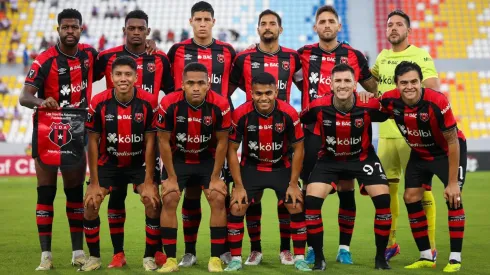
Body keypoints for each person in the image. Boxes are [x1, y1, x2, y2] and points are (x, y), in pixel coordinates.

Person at [296, 5, 378, 264]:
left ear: (339, 26)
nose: (327, 25)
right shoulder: (304, 54)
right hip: (312, 133)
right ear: (315, 27)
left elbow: (372, 86)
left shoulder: (354, 55)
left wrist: (368, 93)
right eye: (323, 21)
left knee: (345, 188)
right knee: (310, 191)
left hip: (347, 133)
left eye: (332, 21)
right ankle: (312, 248)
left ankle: (344, 248)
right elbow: (291, 78)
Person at [19, 8, 98, 271]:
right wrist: (43, 101)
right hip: (47, 132)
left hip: (76, 131)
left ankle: (77, 252)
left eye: (74, 27)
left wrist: (149, 45)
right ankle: (46, 256)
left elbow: (117, 60)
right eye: (65, 27)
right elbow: (24, 96)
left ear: (81, 29)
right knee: (46, 192)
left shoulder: (89, 55)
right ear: (58, 30)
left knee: (74, 193)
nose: (70, 31)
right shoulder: (45, 60)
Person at [95, 9, 174, 268]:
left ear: (148, 31)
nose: (137, 32)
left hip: (147, 143)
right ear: (124, 30)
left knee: (154, 198)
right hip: (114, 143)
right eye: (132, 28)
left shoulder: (160, 58)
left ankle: (156, 251)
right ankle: (118, 253)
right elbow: (85, 76)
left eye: (141, 28)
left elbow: (173, 92)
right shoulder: (107, 57)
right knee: (116, 199)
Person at [300, 63, 392, 271]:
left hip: (363, 158)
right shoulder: (317, 106)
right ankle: (319, 258)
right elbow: (300, 120)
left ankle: (380, 259)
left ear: (354, 85)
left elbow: (390, 111)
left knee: (383, 201)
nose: (342, 85)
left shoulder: (369, 105)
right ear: (330, 85)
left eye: (347, 81)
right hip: (329, 159)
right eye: (338, 81)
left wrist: (373, 95)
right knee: (312, 201)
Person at [228, 9, 302, 266]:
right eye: (263, 24)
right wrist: (256, 101)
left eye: (273, 24)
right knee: (249, 200)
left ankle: (286, 250)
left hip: (283, 140)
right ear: (258, 29)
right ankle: (255, 250)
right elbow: (230, 86)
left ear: (280, 29)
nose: (268, 27)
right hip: (252, 139)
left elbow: (308, 86)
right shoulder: (244, 57)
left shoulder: (294, 57)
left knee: (289, 202)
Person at [166, 1, 236, 267]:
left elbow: (236, 82)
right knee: (190, 195)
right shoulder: (177, 50)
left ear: (213, 22)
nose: (203, 23)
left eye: (207, 19)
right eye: (198, 19)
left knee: (220, 193)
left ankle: (224, 250)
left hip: (215, 127)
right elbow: (168, 83)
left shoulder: (227, 51)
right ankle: (190, 251)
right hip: (183, 130)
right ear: (191, 22)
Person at [378, 61, 466, 272]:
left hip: (446, 153)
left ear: (421, 82)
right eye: (404, 83)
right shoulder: (389, 100)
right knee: (410, 197)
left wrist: (453, 182)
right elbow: (371, 109)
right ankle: (426, 255)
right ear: (396, 84)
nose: (410, 87)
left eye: (414, 82)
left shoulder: (437, 101)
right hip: (419, 153)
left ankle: (455, 258)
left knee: (454, 198)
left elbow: (453, 141)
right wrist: (362, 96)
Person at [371, 9, 440, 261]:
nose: (393, 28)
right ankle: (391, 243)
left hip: (414, 135)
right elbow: (371, 82)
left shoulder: (420, 55)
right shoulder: (383, 56)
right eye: (390, 25)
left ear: (408, 31)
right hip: (387, 135)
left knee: (421, 191)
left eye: (399, 24)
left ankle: (430, 246)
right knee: (386, 192)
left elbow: (432, 88)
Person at [81, 56, 161, 271]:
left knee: (152, 202)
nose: (123, 78)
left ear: (136, 77)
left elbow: (151, 142)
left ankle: (149, 257)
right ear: (111, 77)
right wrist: (94, 182)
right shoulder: (99, 102)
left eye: (128, 74)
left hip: (139, 163)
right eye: (118, 74)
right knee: (90, 204)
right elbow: (93, 142)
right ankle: (97, 257)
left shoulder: (149, 101)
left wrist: (149, 180)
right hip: (109, 163)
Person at [224, 72, 310, 272]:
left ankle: (297, 256)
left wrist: (293, 184)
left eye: (268, 93)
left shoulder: (288, 113)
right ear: (251, 94)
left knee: (295, 203)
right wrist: (237, 186)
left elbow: (299, 148)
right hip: (251, 167)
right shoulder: (241, 114)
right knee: (237, 205)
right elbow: (231, 149)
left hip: (281, 167)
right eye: (258, 93)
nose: (264, 97)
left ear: (276, 92)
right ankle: (242, 256)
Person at [156, 62, 231, 273]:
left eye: (200, 83)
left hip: (207, 159)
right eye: (190, 83)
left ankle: (215, 258)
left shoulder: (220, 104)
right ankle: (171, 259)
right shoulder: (169, 103)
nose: (196, 87)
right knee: (170, 197)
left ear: (209, 85)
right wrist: (171, 177)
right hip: (178, 159)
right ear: (182, 84)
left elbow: (223, 143)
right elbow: (162, 141)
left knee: (217, 196)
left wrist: (216, 177)